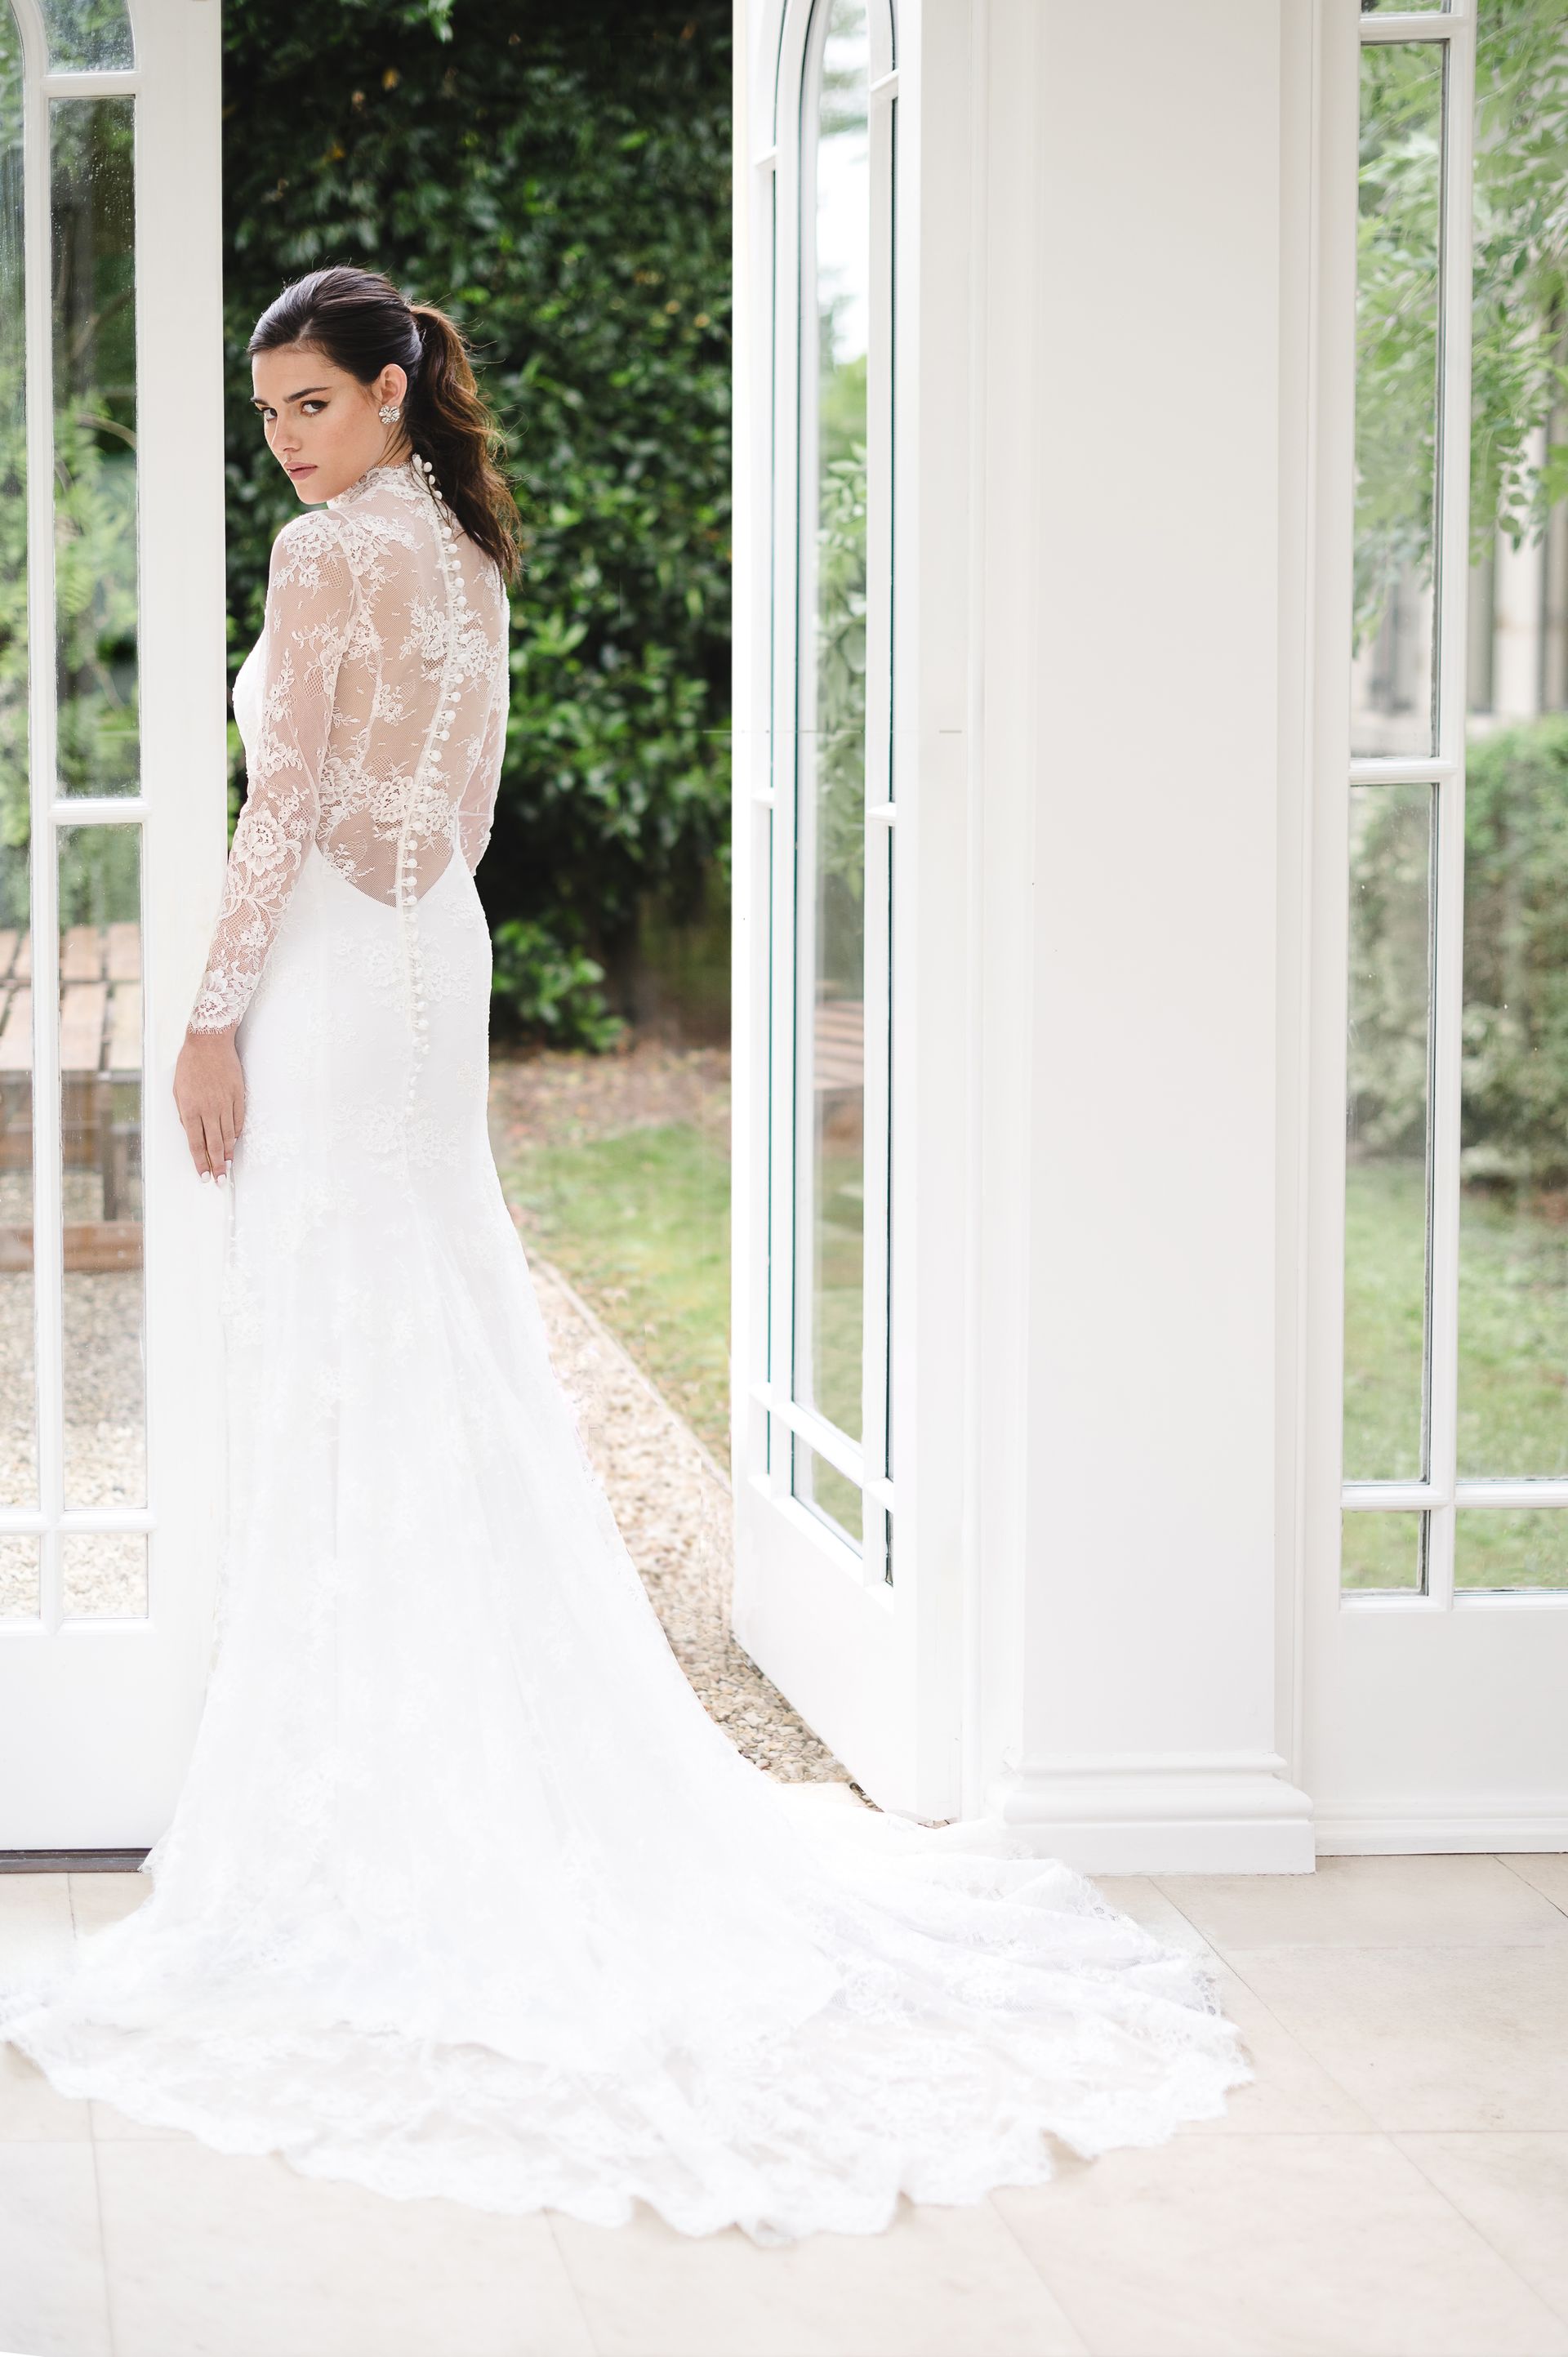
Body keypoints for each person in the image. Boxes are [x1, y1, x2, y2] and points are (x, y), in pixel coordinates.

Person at [0, 266, 1249, 2243]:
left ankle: (381, 1795)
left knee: (360, 1338)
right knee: (424, 1334)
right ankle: (437, 1750)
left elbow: (289, 806)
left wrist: (217, 1009)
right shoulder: (467, 556)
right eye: (270, 419)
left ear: (395, 388)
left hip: (335, 972)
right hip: (427, 961)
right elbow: (457, 820)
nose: (288, 444)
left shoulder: (333, 564)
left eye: (311, 406)